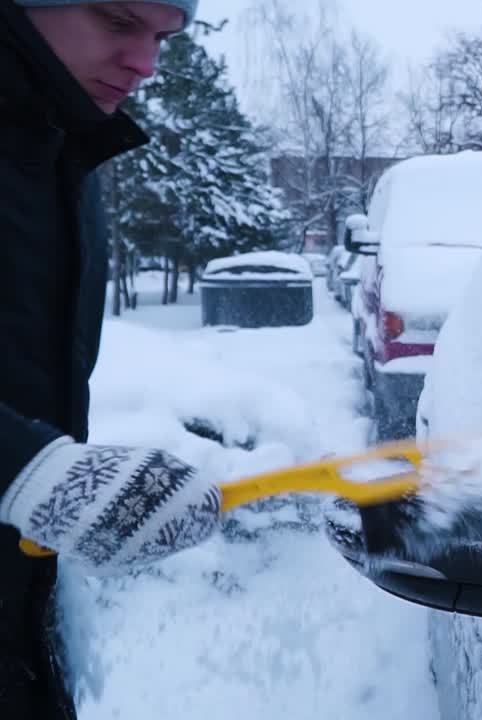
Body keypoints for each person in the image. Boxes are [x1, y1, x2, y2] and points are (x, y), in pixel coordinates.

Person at [0, 2, 221, 717]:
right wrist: (22, 468)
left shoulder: (62, 154)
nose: (147, 65)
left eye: (162, 37)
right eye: (118, 20)